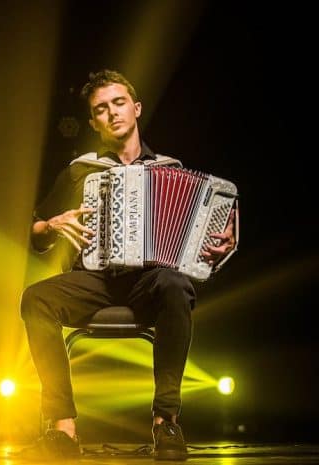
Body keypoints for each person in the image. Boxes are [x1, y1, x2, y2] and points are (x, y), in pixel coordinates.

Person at [18, 69, 237, 461]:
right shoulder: (80, 171)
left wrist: (221, 246)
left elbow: (198, 247)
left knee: (175, 284)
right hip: (94, 280)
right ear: (93, 122)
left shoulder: (170, 168)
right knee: (36, 299)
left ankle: (166, 422)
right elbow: (35, 234)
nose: (112, 113)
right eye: (101, 109)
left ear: (136, 108)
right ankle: (63, 430)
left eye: (118, 103)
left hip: (149, 282)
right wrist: (50, 225)